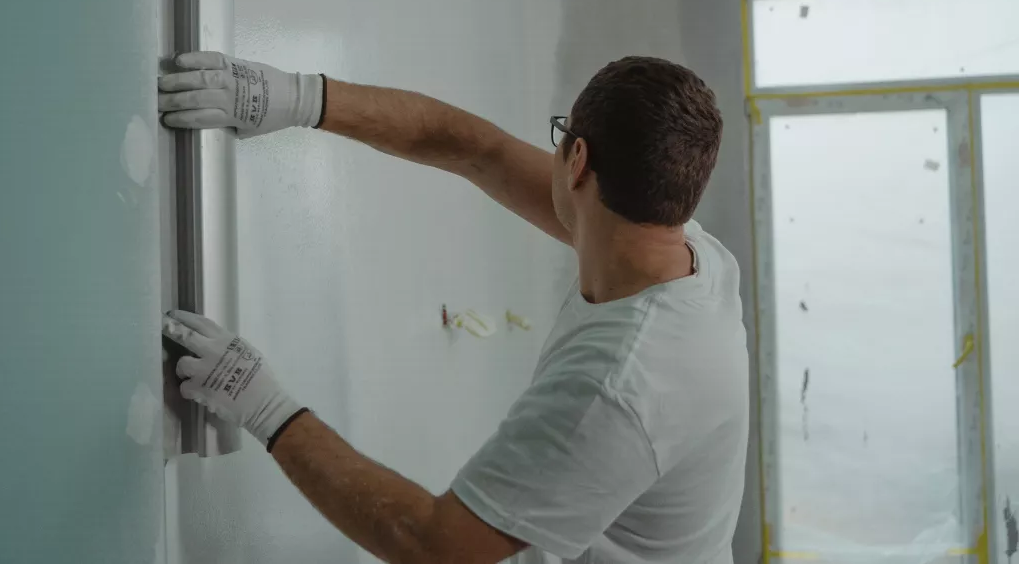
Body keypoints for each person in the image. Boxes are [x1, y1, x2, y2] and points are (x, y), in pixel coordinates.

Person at [157, 51, 748, 564]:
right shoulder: (685, 253)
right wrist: (300, 98)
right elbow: (479, 150)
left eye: (560, 134)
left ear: (577, 160)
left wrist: (264, 406)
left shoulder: (621, 387)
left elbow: (433, 546)